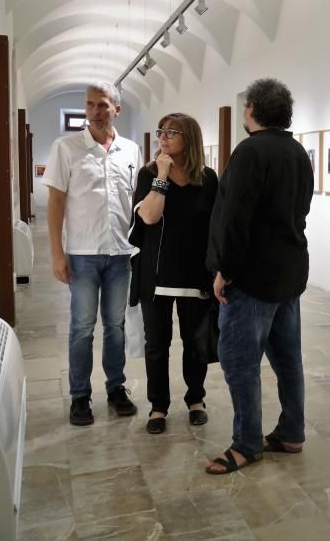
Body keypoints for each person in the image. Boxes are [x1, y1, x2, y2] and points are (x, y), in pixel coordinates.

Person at [205, 78, 314, 474]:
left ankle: (247, 444)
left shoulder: (250, 152)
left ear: (251, 109)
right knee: (288, 358)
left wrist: (224, 270)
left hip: (252, 278)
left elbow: (236, 220)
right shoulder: (298, 151)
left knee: (239, 361)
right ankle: (291, 432)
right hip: (289, 274)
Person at [42, 81, 141, 426]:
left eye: (102, 105)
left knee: (115, 326)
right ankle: (80, 396)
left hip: (120, 253)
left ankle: (116, 388)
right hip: (82, 253)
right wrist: (57, 254)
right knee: (82, 327)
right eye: (90, 105)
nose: (95, 112)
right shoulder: (66, 147)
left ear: (117, 109)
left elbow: (136, 203)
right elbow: (55, 204)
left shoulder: (130, 150)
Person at [128, 113, 218, 434]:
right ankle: (158, 407)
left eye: (171, 132)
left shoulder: (208, 179)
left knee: (195, 342)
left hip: (195, 275)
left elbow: (214, 229)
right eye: (161, 132)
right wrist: (162, 176)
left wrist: (218, 271)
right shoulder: (148, 174)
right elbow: (150, 217)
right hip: (156, 275)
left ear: (188, 138)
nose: (162, 138)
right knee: (157, 344)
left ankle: (196, 399)